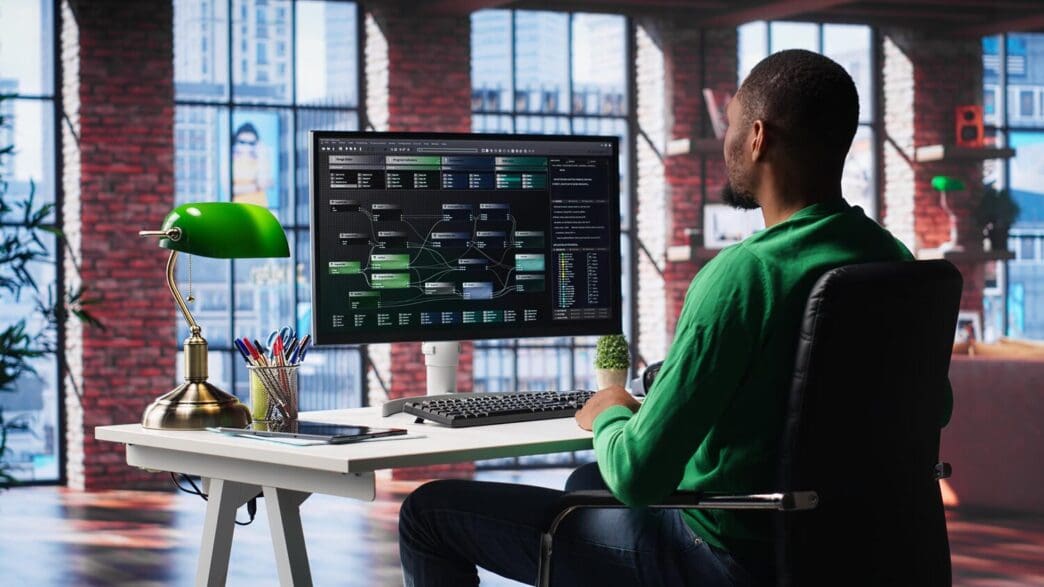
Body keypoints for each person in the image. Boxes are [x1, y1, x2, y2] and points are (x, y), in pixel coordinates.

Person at [398, 49, 933, 587]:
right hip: (846, 552)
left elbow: (636, 475)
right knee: (585, 481)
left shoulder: (745, 274)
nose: (726, 142)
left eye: (729, 124)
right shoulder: (891, 257)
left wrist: (608, 412)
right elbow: (929, 409)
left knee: (428, 513)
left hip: (727, 556)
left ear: (757, 137)